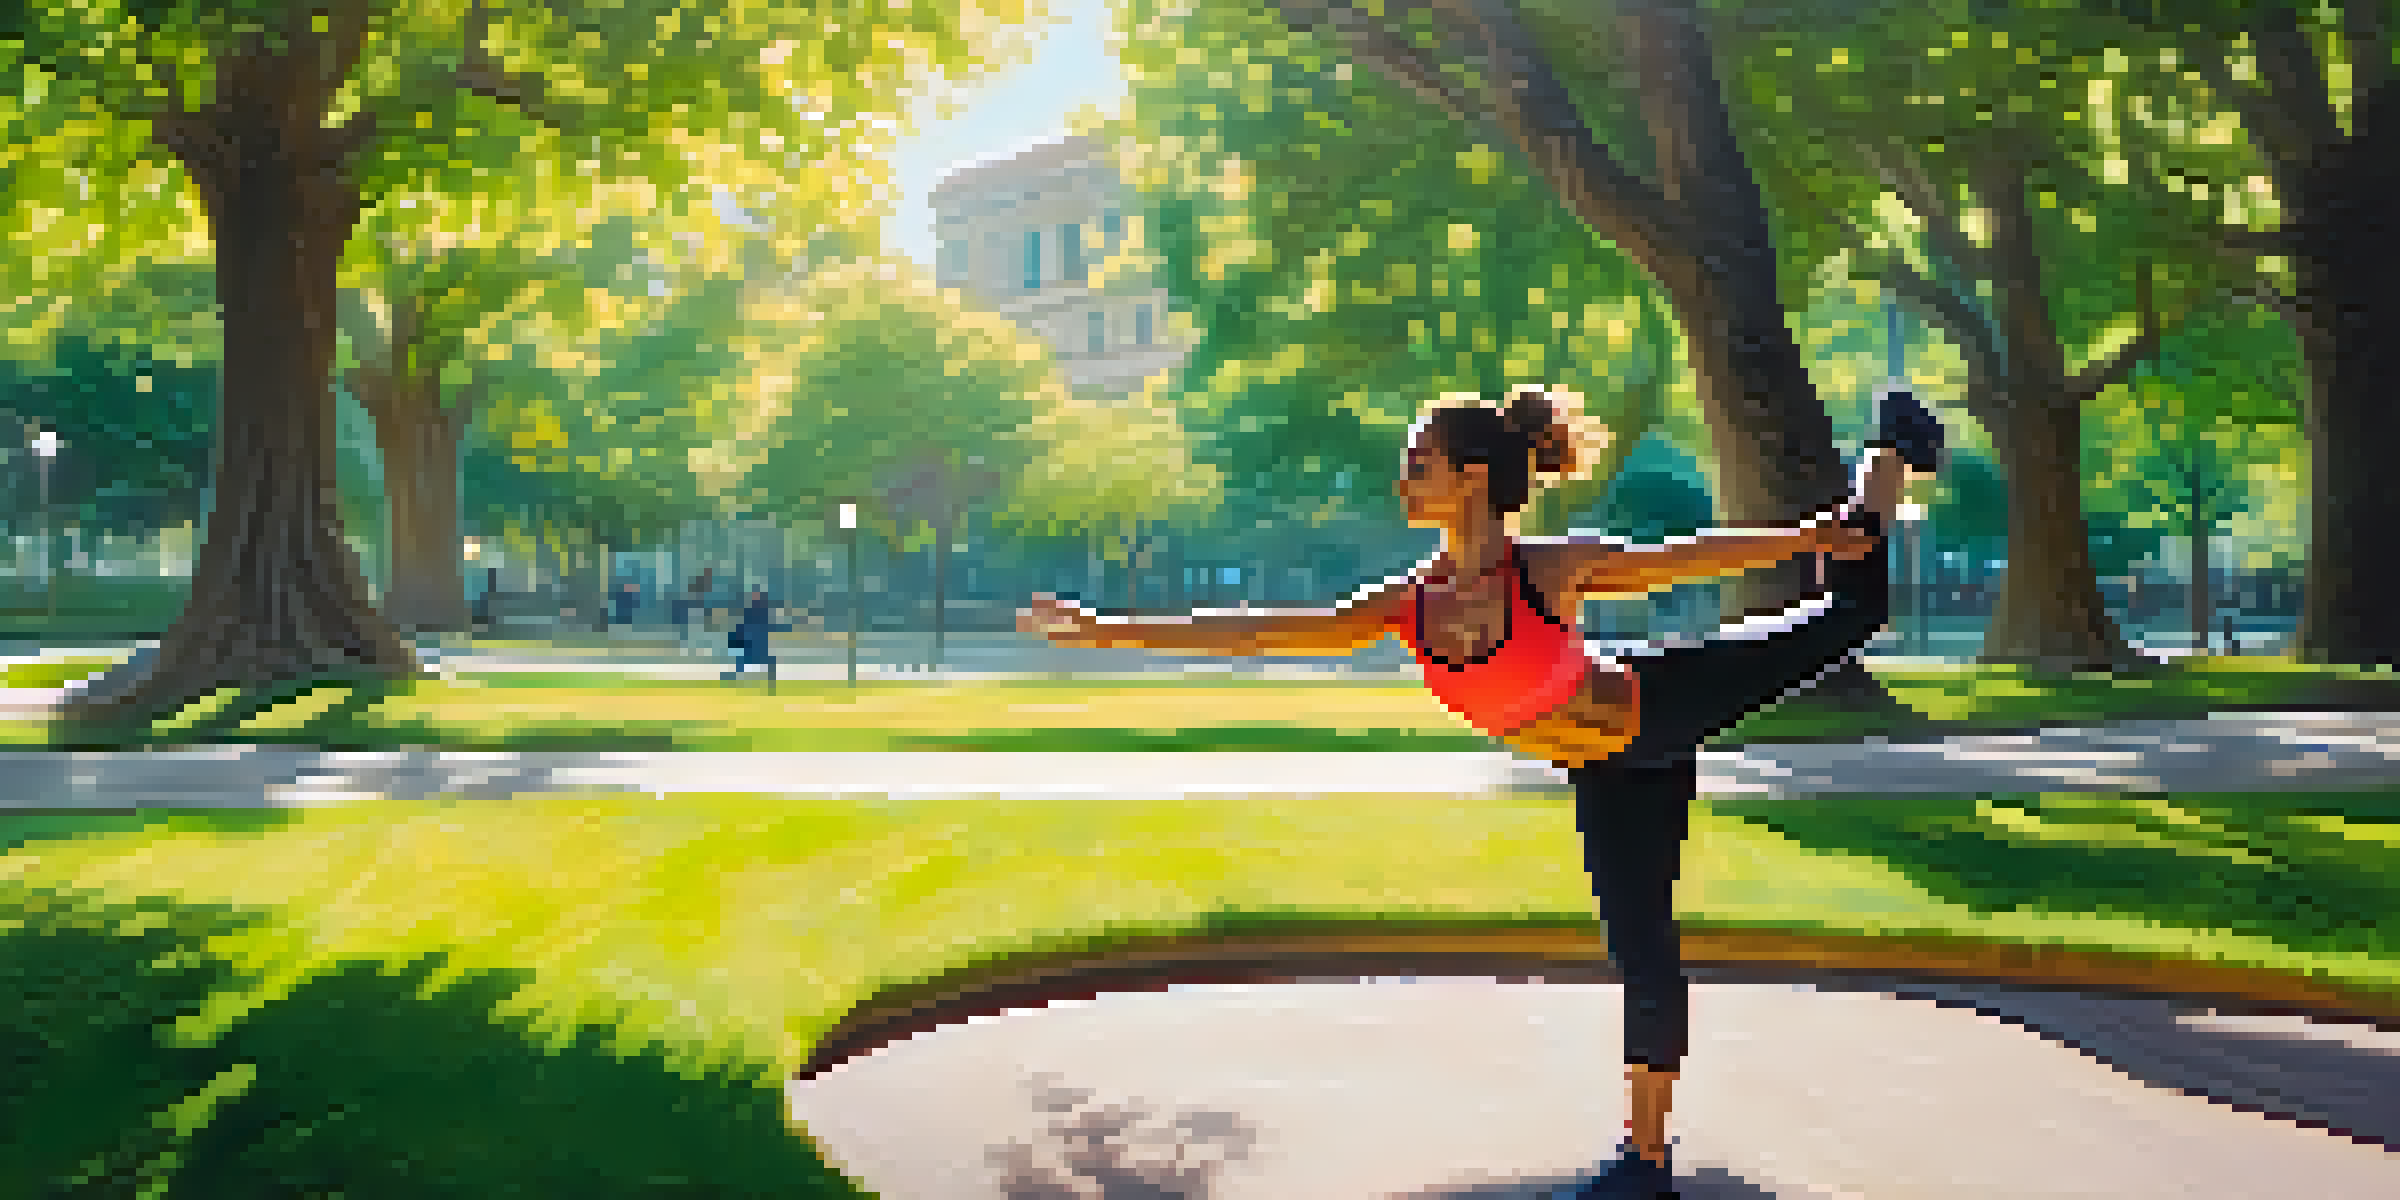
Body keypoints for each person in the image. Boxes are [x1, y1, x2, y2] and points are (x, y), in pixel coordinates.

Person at [1021, 383, 1944, 1198]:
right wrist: (1105, 630)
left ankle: (1890, 457)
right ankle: (1648, 1160)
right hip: (1607, 769)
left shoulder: (1544, 571)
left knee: (1848, 613)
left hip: (1659, 703)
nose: (1402, 482)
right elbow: (1263, 631)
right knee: (1642, 945)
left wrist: (1806, 536)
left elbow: (1684, 560)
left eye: (1416, 464)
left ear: (1468, 475)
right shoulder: (1407, 603)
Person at [723, 586, 792, 684]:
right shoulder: (751, 612)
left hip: (757, 644)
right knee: (744, 656)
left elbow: (771, 626)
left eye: (757, 596)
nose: (755, 598)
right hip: (751, 643)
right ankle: (736, 677)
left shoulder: (763, 613)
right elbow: (742, 627)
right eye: (754, 596)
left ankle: (769, 682)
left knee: (764, 660)